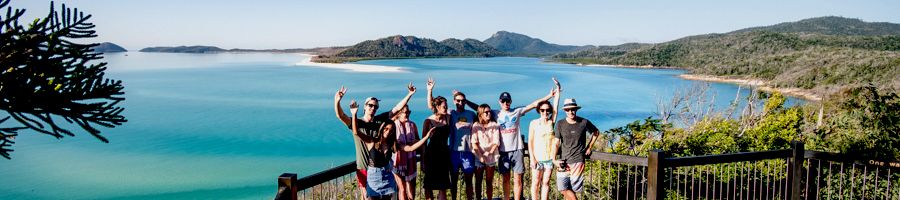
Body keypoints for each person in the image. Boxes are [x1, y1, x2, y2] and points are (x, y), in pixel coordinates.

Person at [333, 84, 416, 200]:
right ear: (365, 106)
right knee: (366, 197)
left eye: (376, 107)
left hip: (380, 168)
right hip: (363, 166)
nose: (373, 108)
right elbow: (340, 115)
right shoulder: (356, 122)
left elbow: (397, 108)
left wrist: (410, 94)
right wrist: (337, 101)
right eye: (370, 105)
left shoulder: (379, 121)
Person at [350, 100, 436, 200]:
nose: (388, 132)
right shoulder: (371, 141)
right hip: (373, 179)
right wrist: (354, 114)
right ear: (382, 128)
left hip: (387, 177)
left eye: (391, 130)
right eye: (386, 129)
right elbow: (356, 132)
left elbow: (410, 148)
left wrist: (426, 138)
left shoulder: (392, 144)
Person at [427, 77, 477, 200]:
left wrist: (467, 100)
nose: (460, 103)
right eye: (458, 101)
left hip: (468, 152)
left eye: (463, 101)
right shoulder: (450, 113)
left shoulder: (471, 114)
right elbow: (433, 106)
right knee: (453, 182)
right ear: (454, 101)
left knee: (469, 181)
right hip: (453, 152)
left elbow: (480, 109)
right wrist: (430, 90)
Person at [553, 98, 600, 200]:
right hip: (563, 162)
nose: (570, 112)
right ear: (565, 111)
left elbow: (596, 132)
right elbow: (556, 143)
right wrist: (553, 159)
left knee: (572, 190)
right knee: (563, 189)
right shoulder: (560, 124)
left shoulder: (583, 122)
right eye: (568, 110)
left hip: (578, 161)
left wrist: (589, 147)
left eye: (573, 109)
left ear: (576, 109)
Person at [527, 96, 560, 200]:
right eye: (542, 110)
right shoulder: (533, 123)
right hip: (537, 158)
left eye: (547, 110)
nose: (545, 112)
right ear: (539, 110)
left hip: (549, 158)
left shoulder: (551, 122)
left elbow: (556, 109)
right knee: (536, 182)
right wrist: (532, 158)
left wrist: (557, 94)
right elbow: (530, 141)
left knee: (546, 182)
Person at [422, 95, 453, 200]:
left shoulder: (448, 118)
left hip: (444, 154)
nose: (446, 108)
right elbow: (423, 142)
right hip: (431, 155)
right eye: (444, 106)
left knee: (443, 186)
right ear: (438, 107)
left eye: (447, 106)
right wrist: (423, 160)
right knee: (429, 186)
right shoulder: (428, 121)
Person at [471, 104, 500, 200]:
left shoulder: (494, 125)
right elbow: (474, 142)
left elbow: (496, 141)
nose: (489, 113)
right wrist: (480, 156)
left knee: (489, 181)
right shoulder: (476, 126)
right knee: (478, 181)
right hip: (478, 156)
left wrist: (490, 152)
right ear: (480, 114)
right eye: (486, 112)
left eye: (489, 111)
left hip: (491, 156)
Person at [393, 105, 420, 200]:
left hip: (411, 159)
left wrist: (414, 142)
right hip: (397, 161)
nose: (408, 114)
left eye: (409, 112)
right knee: (402, 188)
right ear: (399, 113)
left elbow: (418, 140)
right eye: (406, 112)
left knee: (410, 188)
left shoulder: (412, 125)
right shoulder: (393, 126)